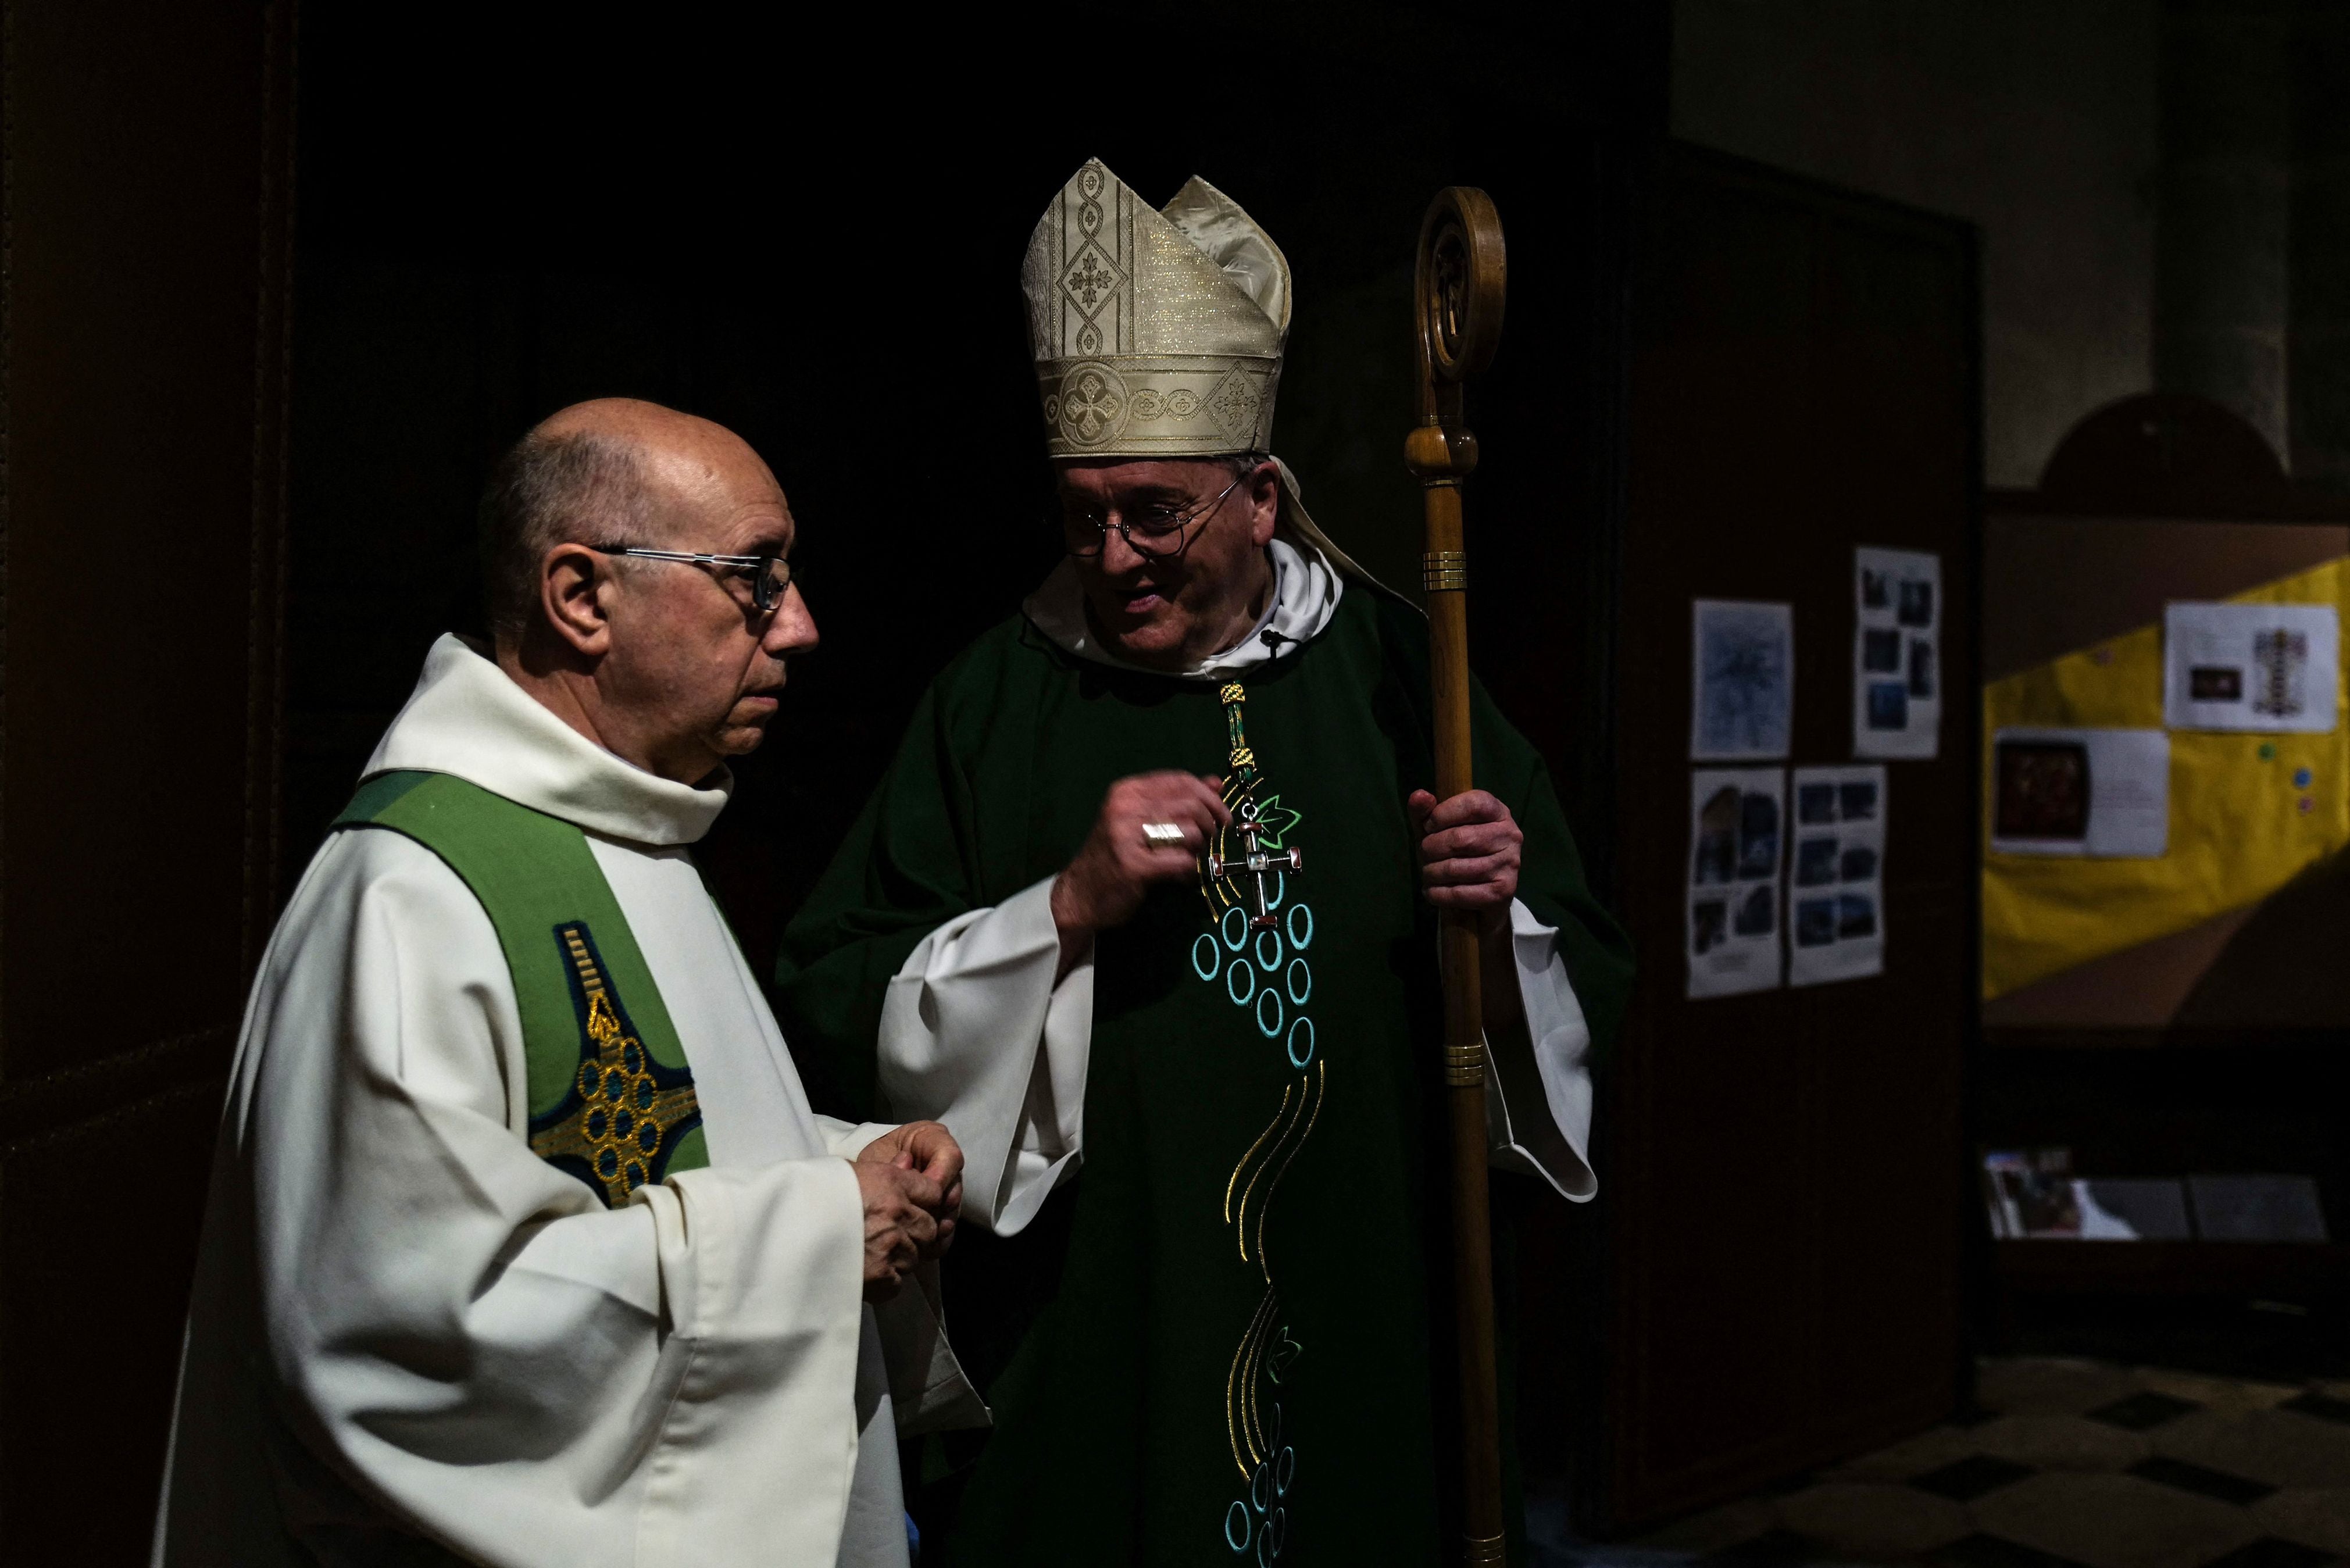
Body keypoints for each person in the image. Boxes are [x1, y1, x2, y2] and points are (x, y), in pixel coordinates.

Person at [774, 162, 1635, 1565]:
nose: (1114, 557)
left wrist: (1502, 916)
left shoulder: (1404, 673)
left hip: (1368, 1281)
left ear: (1256, 493)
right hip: (1101, 1316)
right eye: (1080, 513)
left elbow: (1584, 973)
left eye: (1154, 512)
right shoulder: (995, 701)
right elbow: (828, 992)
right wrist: (1059, 911)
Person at [154, 399, 981, 1568]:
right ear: (581, 596)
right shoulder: (412, 895)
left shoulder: (630, 828)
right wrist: (815, 1230)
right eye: (753, 577)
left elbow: (661, 1151)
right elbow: (405, 1334)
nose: (797, 624)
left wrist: (841, 1161)